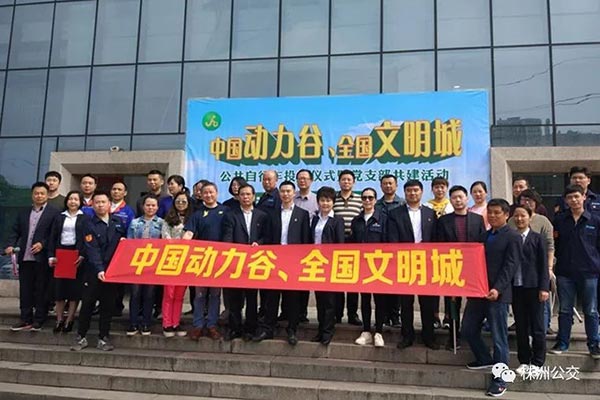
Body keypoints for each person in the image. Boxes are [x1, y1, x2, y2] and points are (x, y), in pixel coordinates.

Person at [461, 198, 521, 397]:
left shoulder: (512, 237)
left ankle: (501, 378)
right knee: (468, 328)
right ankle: (484, 358)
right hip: (478, 292)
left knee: (499, 338)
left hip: (497, 294)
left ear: (506, 215)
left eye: (497, 213)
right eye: (490, 212)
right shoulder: (484, 236)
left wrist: (498, 288)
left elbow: (510, 266)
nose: (493, 216)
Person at [255, 181, 311, 345]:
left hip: (293, 261)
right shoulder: (271, 214)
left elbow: (305, 240)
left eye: (288, 191)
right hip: (274, 260)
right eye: (283, 191)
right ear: (279, 194)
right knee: (271, 297)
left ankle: (292, 329)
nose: (286, 194)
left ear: (294, 193)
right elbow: (267, 237)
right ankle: (268, 328)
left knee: (292, 298)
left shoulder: (302, 214)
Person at [70, 190, 127, 351]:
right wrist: (99, 269)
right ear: (92, 205)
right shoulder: (88, 224)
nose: (100, 205)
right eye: (97, 202)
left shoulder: (117, 222)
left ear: (109, 204)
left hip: (112, 272)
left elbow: (123, 245)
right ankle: (81, 336)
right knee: (87, 304)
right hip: (93, 271)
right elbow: (91, 248)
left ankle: (103, 337)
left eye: (103, 202)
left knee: (107, 306)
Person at [387, 179, 439, 350]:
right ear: (405, 193)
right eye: (409, 190)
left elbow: (435, 239)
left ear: (422, 192)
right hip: (405, 262)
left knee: (427, 302)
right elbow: (393, 239)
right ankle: (407, 336)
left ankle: (429, 336)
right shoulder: (395, 214)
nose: (412, 193)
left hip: (426, 263)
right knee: (406, 302)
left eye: (416, 190)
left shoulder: (430, 213)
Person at [550, 184, 600, 359]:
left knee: (591, 310)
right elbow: (554, 245)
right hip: (565, 272)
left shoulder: (595, 220)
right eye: (570, 197)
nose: (574, 200)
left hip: (589, 271)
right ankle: (562, 342)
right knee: (565, 309)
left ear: (584, 197)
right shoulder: (559, 220)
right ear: (566, 200)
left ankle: (594, 344)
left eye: (577, 196)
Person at [436, 185, 486, 350]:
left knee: (475, 304)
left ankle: (473, 336)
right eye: (454, 197)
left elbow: (481, 244)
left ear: (467, 199)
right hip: (452, 267)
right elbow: (440, 246)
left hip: (473, 268)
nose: (458, 200)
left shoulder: (477, 220)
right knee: (452, 305)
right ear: (450, 200)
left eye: (460, 197)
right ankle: (453, 338)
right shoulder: (443, 221)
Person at [6, 182, 60, 331]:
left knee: (41, 289)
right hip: (25, 256)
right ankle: (25, 318)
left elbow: (54, 234)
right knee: (25, 289)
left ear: (47, 195)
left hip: (42, 258)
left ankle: (39, 319)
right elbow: (15, 231)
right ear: (32, 195)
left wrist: (43, 244)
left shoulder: (54, 213)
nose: (39, 196)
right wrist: (10, 245)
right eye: (36, 193)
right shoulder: (24, 212)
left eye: (42, 193)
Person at [221, 183, 269, 341]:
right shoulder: (231, 215)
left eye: (248, 194)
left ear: (254, 196)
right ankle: (234, 328)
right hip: (237, 260)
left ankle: (250, 328)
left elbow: (266, 236)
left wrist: (259, 244)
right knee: (235, 298)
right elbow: (227, 236)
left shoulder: (262, 215)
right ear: (238, 197)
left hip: (255, 262)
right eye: (242, 194)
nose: (246, 197)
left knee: (252, 297)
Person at [183, 182, 228, 341]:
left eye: (211, 192)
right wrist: (183, 242)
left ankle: (212, 325)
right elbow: (189, 233)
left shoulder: (225, 211)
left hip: (219, 260)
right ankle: (198, 325)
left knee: (215, 294)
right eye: (205, 193)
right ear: (201, 195)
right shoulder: (197, 214)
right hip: (201, 259)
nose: (208, 195)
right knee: (200, 294)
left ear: (217, 193)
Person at [510, 204, 549, 376]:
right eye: (516, 216)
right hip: (516, 288)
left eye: (523, 215)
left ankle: (538, 361)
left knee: (538, 326)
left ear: (530, 217)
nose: (519, 219)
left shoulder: (537, 238)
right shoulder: (511, 238)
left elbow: (543, 265)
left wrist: (544, 287)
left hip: (534, 287)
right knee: (521, 326)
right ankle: (524, 360)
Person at [509, 189, 555, 334]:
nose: (526, 202)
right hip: (516, 278)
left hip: (535, 275)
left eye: (529, 200)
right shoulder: (511, 223)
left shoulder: (542, 223)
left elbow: (549, 246)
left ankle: (545, 326)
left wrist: (549, 268)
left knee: (538, 318)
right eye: (523, 200)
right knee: (521, 320)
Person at [352, 188, 389, 348]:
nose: (367, 200)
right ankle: (366, 331)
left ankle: (379, 331)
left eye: (370, 198)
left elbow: (388, 242)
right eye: (364, 198)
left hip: (380, 265)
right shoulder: (356, 220)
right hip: (362, 266)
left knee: (380, 300)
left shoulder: (384, 219)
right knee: (365, 299)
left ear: (375, 200)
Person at [47, 191, 88, 333]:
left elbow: (87, 238)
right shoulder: (60, 217)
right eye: (70, 199)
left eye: (76, 199)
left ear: (80, 202)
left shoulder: (85, 218)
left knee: (73, 291)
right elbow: (52, 237)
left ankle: (69, 319)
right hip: (60, 254)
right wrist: (51, 255)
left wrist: (82, 254)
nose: (73, 202)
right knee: (59, 289)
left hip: (76, 255)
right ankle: (59, 319)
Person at [311, 186, 345, 346]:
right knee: (320, 300)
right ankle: (320, 329)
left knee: (330, 301)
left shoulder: (337, 220)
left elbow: (340, 244)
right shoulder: (315, 219)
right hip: (316, 264)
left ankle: (327, 331)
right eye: (322, 200)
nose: (325, 203)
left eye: (328, 200)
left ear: (333, 202)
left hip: (330, 265)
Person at [126, 194, 164, 336]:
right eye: (148, 205)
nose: (150, 208)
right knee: (135, 294)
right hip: (136, 263)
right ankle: (133, 323)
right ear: (143, 207)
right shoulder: (134, 223)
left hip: (153, 264)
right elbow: (129, 242)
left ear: (157, 207)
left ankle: (146, 323)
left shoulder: (162, 223)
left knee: (149, 294)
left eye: (153, 205)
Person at [160, 192, 192, 337]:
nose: (181, 204)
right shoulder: (168, 220)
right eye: (178, 201)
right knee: (169, 293)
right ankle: (167, 323)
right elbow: (165, 237)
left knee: (179, 294)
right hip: (171, 259)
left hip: (187, 261)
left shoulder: (192, 219)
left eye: (184, 201)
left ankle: (176, 322)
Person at [332, 169, 362, 326]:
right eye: (343, 179)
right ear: (339, 182)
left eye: (349, 180)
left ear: (354, 182)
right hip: (336, 243)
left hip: (354, 242)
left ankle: (352, 314)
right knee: (337, 281)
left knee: (352, 282)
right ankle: (337, 314)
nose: (346, 182)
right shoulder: (333, 199)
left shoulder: (359, 199)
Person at [375, 174, 405, 328]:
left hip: (397, 249)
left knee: (396, 285)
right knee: (382, 284)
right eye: (385, 183)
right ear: (381, 186)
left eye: (390, 183)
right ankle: (384, 316)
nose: (388, 186)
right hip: (379, 250)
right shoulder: (376, 204)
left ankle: (395, 316)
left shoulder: (402, 203)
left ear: (396, 185)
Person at [292, 169, 318, 323]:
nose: (302, 181)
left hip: (309, 244)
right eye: (299, 178)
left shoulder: (316, 200)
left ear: (311, 180)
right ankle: (288, 312)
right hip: (293, 246)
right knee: (290, 280)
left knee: (304, 280)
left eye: (305, 178)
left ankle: (302, 312)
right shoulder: (291, 197)